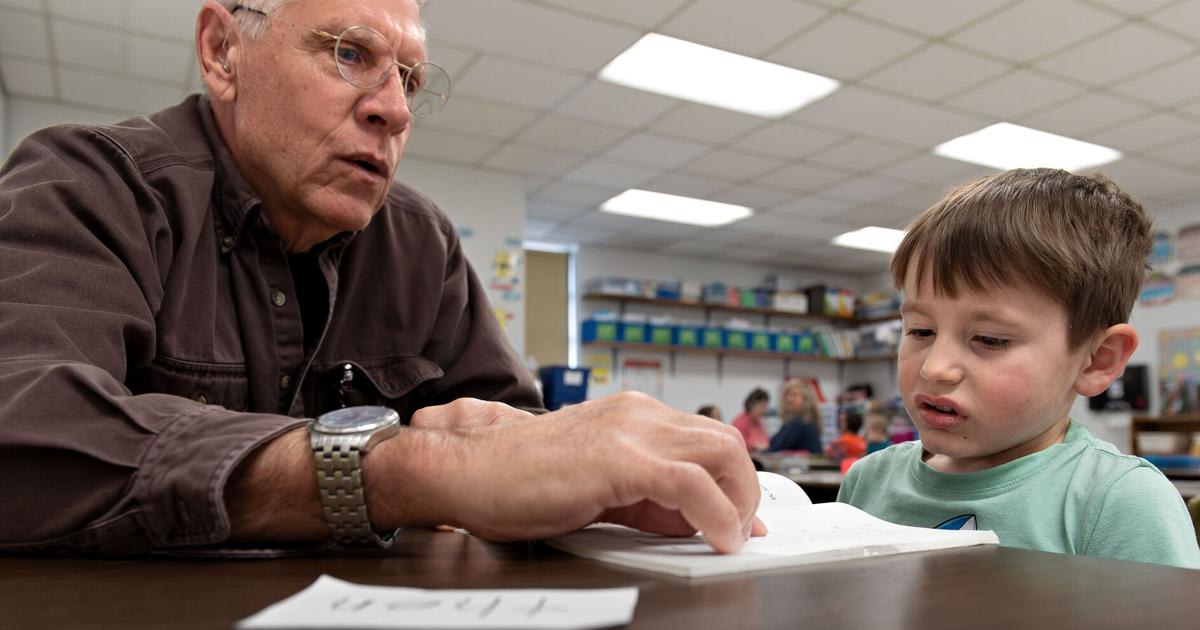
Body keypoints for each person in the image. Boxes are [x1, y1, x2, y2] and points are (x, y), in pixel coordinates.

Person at [0, 0, 765, 556]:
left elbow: (513, 438)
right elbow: (23, 430)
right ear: (223, 50)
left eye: (409, 79)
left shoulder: (422, 244)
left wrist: (586, 474)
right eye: (350, 54)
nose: (397, 111)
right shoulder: (88, 184)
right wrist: (407, 468)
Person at [837, 168, 1200, 569]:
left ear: (1098, 359)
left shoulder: (1118, 501)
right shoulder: (867, 481)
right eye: (920, 330)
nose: (935, 368)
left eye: (990, 339)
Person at [767, 378, 823, 453]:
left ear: (806, 399)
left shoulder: (800, 421)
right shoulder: (807, 419)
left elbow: (776, 448)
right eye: (787, 395)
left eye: (794, 395)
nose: (789, 399)